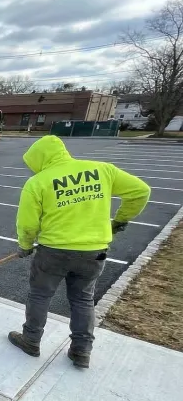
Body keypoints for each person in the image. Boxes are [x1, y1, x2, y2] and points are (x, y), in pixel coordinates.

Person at [9, 136, 151, 368]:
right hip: (93, 252)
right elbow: (140, 191)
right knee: (83, 299)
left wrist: (25, 246)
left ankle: (31, 340)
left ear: (39, 158)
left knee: (40, 295)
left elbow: (27, 224)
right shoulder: (102, 170)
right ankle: (81, 351)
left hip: (53, 251)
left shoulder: (38, 182)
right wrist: (120, 220)